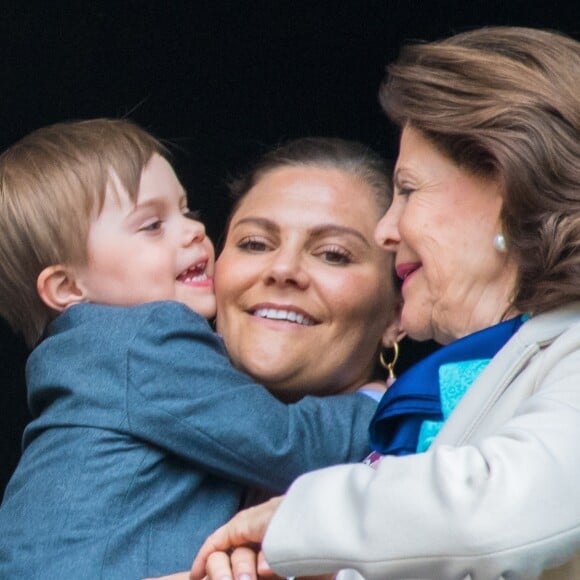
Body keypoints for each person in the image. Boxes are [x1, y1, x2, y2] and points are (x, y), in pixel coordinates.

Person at [189, 26, 580, 580]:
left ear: (506, 189)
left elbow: (500, 511)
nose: (387, 229)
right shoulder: (465, 389)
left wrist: (296, 518)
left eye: (410, 190)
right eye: (254, 243)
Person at [0, 121, 403, 578]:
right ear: (67, 285)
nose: (193, 231)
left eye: (333, 253)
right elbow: (283, 444)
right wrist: (375, 404)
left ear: (398, 311)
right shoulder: (142, 342)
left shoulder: (433, 458)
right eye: (152, 225)